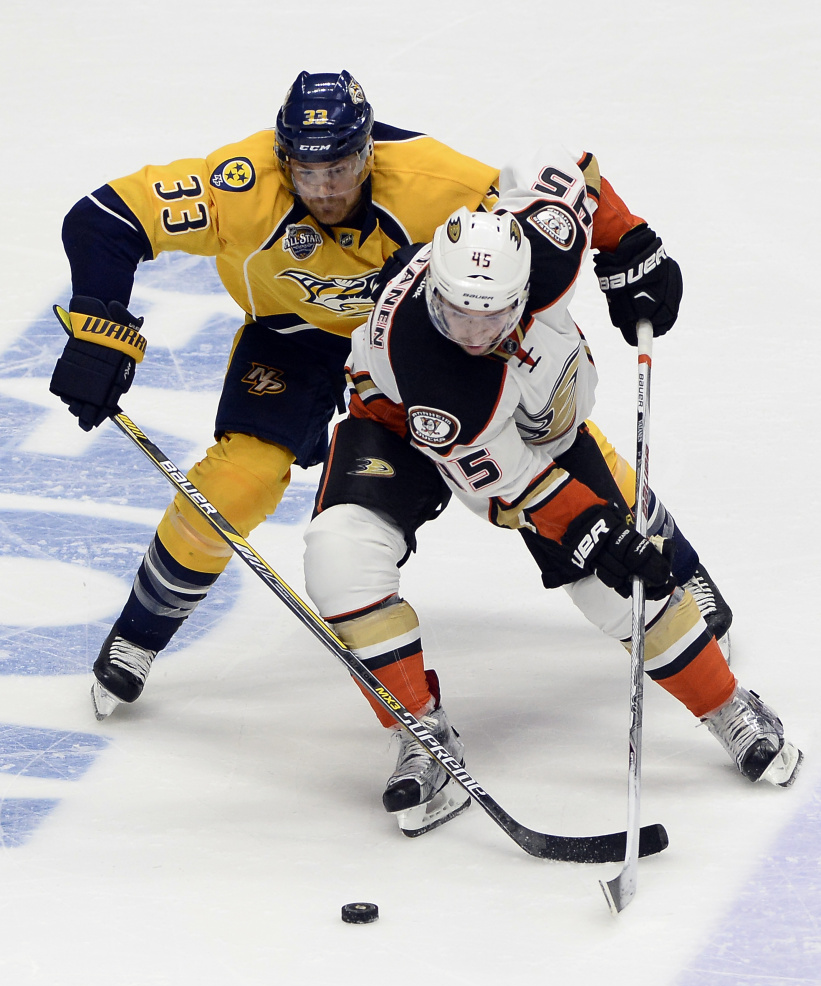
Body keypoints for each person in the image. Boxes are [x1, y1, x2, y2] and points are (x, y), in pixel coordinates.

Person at [49, 70, 728, 721]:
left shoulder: (430, 180)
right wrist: (99, 328)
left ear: (368, 148)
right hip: (295, 338)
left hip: (429, 340)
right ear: (283, 158)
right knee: (237, 481)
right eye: (305, 170)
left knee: (554, 437)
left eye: (340, 167)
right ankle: (139, 632)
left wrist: (626, 242)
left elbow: (553, 194)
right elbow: (104, 219)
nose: (324, 188)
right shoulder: (239, 184)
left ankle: (674, 564)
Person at [302, 159, 801, 836]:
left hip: (541, 421)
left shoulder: (544, 241)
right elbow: (518, 487)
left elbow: (581, 177)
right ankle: (420, 733)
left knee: (619, 588)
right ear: (434, 296)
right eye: (456, 313)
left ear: (522, 287)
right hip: (400, 423)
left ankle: (728, 704)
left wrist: (629, 247)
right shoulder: (438, 372)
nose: (475, 334)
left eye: (492, 315)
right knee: (339, 558)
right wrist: (596, 527)